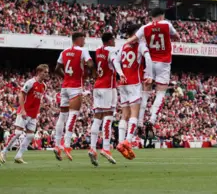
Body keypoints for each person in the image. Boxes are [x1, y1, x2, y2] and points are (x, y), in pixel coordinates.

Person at [123, 8, 178, 129]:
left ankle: (140, 120)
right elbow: (177, 37)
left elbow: (131, 40)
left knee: (145, 91)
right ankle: (152, 119)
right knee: (161, 91)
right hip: (163, 62)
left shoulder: (145, 27)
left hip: (150, 62)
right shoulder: (166, 25)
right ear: (161, 16)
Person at [113, 24, 153, 160]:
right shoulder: (140, 45)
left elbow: (115, 61)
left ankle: (120, 142)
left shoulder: (123, 46)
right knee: (134, 114)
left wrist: (120, 74)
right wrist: (150, 74)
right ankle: (128, 141)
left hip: (122, 83)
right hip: (134, 83)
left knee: (124, 114)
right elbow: (148, 58)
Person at [53, 32, 93, 161]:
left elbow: (56, 68)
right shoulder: (83, 50)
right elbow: (91, 64)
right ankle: (67, 145)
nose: (85, 42)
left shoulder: (64, 52)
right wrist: (88, 72)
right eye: (84, 39)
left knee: (62, 116)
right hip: (75, 87)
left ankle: (57, 145)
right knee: (73, 115)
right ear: (79, 39)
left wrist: (65, 76)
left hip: (65, 86)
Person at [0, 64, 49, 165]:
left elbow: (37, 100)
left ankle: (18, 156)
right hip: (24, 112)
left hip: (33, 114)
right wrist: (22, 110)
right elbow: (21, 94)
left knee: (30, 135)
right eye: (45, 72)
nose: (46, 74)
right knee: (18, 133)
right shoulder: (31, 82)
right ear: (39, 72)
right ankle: (3, 151)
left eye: (47, 72)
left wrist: (38, 111)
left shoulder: (44, 85)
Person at [89, 32, 119, 166]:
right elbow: (115, 62)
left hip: (97, 86)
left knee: (97, 118)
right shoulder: (111, 50)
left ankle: (92, 147)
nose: (115, 42)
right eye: (114, 40)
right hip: (108, 86)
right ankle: (106, 148)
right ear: (110, 41)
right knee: (108, 116)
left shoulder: (97, 51)